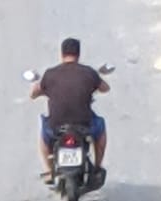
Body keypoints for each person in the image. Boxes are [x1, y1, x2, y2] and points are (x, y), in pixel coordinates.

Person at [32, 37, 108, 184]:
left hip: (56, 126)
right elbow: (105, 88)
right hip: (83, 125)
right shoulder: (88, 72)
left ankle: (48, 171)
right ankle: (98, 167)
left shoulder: (50, 74)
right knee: (101, 125)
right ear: (78, 54)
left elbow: (33, 94)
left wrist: (43, 91)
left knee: (43, 133)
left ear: (61, 54)